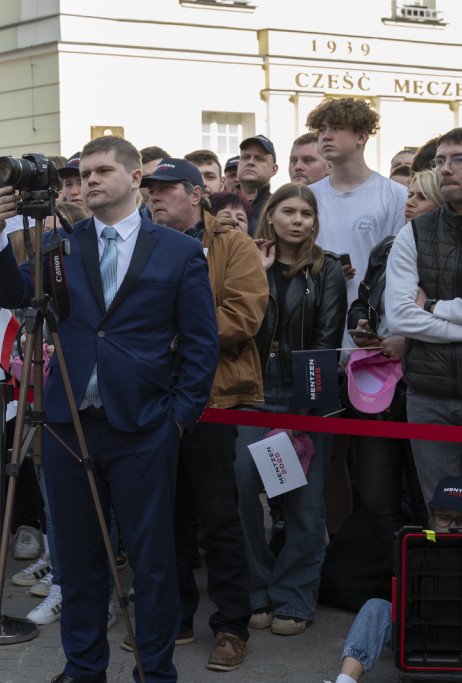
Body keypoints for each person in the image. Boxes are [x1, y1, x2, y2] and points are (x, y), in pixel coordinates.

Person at [0, 135, 219, 682]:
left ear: (136, 178)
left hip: (144, 429)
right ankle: (84, 668)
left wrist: (178, 420)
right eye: (83, 172)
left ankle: (155, 671)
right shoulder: (59, 244)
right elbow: (14, 294)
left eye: (102, 171)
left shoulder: (179, 250)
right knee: (79, 563)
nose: (89, 180)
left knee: (153, 564)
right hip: (69, 427)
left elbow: (201, 345)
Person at [143, 159, 268, 672]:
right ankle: (176, 620)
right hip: (153, 400)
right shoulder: (143, 242)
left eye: (166, 190)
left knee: (221, 518)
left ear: (197, 195)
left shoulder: (232, 244)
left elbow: (244, 316)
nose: (154, 198)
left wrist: (172, 331)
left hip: (215, 399)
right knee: (166, 518)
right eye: (149, 190)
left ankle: (232, 625)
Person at [234, 183, 347, 637]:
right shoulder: (247, 263)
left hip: (307, 393)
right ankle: (254, 589)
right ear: (271, 216)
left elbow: (325, 342)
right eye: (289, 211)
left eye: (306, 213)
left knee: (303, 501)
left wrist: (300, 415)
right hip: (251, 391)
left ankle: (295, 596)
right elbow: (239, 330)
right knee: (242, 490)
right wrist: (258, 276)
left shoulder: (328, 268)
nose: (298, 220)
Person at [385, 126, 462, 520]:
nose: (445, 169)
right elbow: (400, 315)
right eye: (439, 161)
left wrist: (434, 306)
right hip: (428, 396)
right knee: (443, 519)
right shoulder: (414, 233)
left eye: (458, 159)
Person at [344, 173, 443, 564]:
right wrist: (363, 326)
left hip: (429, 387)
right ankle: (405, 580)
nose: (409, 202)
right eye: (410, 194)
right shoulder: (387, 247)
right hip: (378, 385)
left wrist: (411, 342)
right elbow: (363, 299)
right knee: (373, 495)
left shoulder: (453, 252)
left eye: (421, 196)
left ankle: (433, 584)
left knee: (427, 502)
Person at [329, 476, 462, 683]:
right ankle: (345, 680)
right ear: (432, 517)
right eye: (444, 518)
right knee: (376, 607)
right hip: (421, 635)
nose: (452, 527)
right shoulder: (415, 544)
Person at [306, 98, 407, 313]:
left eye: (337, 128)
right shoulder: (309, 196)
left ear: (361, 137)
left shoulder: (395, 194)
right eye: (322, 129)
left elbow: (399, 265)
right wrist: (323, 272)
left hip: (372, 318)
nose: (326, 135)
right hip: (318, 317)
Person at [236, 135, 278, 235]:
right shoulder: (220, 205)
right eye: (245, 157)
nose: (250, 162)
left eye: (259, 158)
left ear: (273, 170)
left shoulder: (278, 207)